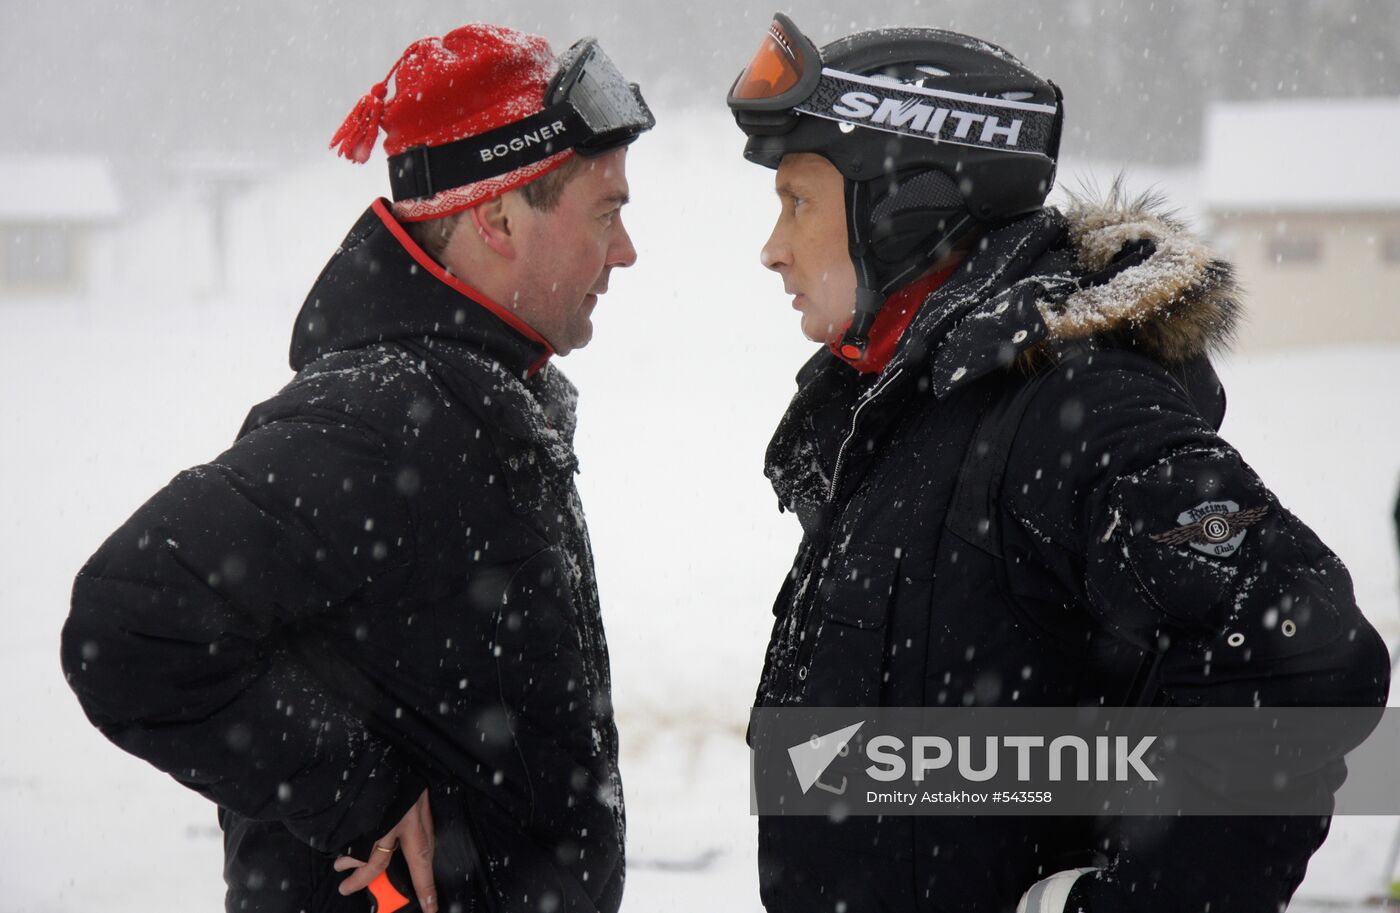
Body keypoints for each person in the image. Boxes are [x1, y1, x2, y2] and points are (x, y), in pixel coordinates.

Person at [727, 14, 1389, 913]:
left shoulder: (1071, 412)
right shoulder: (916, 410)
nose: (773, 248)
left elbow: (1299, 654)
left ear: (900, 205)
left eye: (798, 201)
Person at [61, 24, 652, 913]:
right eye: (606, 213)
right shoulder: (378, 421)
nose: (626, 251)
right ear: (495, 217)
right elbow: (128, 621)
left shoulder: (475, 399)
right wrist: (354, 790)